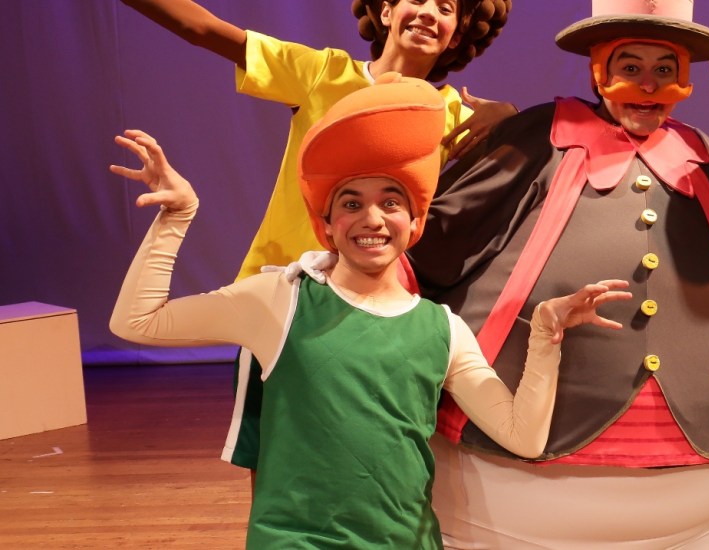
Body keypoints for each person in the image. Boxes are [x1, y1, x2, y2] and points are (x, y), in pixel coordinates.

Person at [334, 1, 709, 547]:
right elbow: (446, 226)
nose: (648, 84)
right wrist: (357, 257)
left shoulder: (697, 154)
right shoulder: (542, 134)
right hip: (527, 426)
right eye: (630, 67)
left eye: (664, 69)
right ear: (599, 70)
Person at [108, 75, 631, 548]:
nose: (372, 218)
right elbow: (137, 322)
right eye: (351, 204)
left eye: (391, 202)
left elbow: (524, 436)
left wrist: (545, 333)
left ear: (415, 222)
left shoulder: (441, 329)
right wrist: (177, 216)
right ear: (327, 226)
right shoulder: (281, 299)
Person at [120, 0, 516, 473]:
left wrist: (508, 118)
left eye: (446, 6)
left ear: (458, 32)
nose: (429, 11)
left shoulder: (454, 115)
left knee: (369, 456)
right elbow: (202, 28)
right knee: (273, 458)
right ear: (385, 11)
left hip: (375, 311)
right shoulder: (321, 73)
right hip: (284, 301)